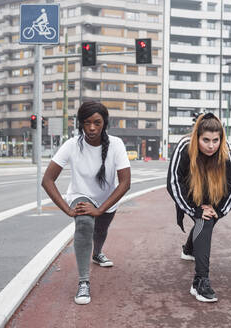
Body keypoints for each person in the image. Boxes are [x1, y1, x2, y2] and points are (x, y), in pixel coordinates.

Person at [42, 102, 131, 304]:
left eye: (97, 123)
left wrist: (100, 209)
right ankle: (83, 282)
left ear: (104, 123)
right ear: (81, 123)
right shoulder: (71, 145)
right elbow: (47, 180)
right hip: (80, 195)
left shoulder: (116, 144)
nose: (92, 128)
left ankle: (97, 253)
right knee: (84, 224)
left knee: (100, 232)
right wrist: (67, 209)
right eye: (87, 122)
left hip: (107, 199)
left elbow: (125, 183)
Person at [167, 112, 231, 302]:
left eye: (215, 140)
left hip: (215, 196)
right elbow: (173, 183)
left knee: (206, 221)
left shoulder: (225, 150)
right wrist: (194, 209)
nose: (211, 145)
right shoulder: (184, 147)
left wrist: (220, 210)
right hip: (192, 195)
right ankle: (200, 281)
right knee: (204, 221)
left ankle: (189, 249)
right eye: (205, 140)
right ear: (196, 137)